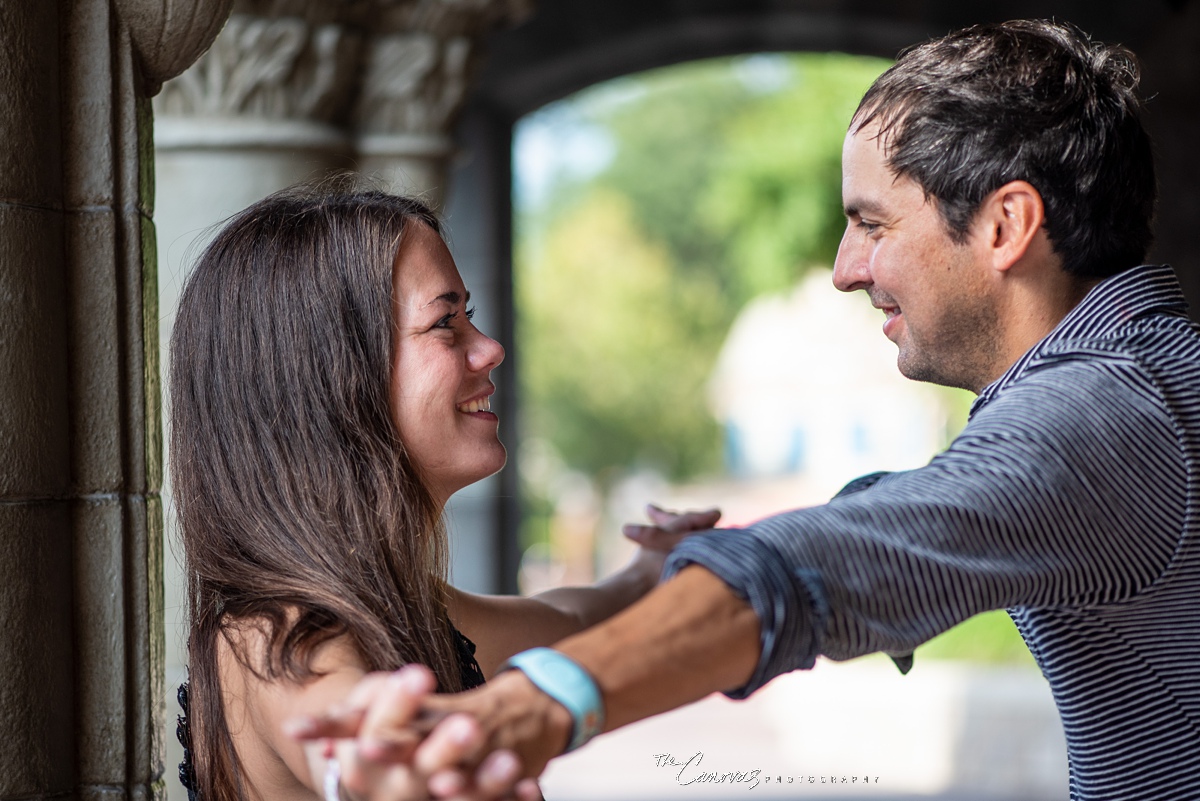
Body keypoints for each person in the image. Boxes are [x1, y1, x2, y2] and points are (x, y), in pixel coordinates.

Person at [295, 19, 1200, 801]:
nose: (847, 267)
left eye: (874, 223)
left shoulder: (1109, 410)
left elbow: (826, 565)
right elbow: (919, 516)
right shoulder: (1137, 387)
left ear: (1006, 226)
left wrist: (526, 709)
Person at [168, 181, 716, 801]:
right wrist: (395, 763)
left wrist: (650, 567)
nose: (490, 348)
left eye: (471, 315)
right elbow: (348, 741)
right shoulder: (277, 634)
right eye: (444, 322)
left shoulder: (410, 605)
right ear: (329, 379)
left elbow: (570, 616)